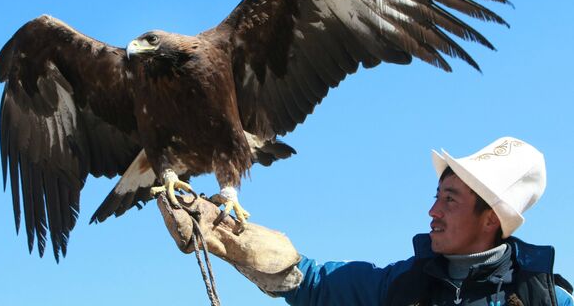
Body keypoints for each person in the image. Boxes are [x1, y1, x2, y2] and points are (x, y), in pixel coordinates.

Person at [159, 137, 573, 305]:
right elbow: (311, 282)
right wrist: (225, 236)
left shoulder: (546, 299)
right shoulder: (404, 285)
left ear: (490, 220)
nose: (433, 211)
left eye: (450, 200)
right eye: (436, 197)